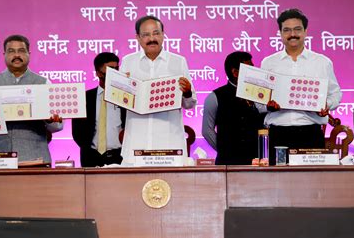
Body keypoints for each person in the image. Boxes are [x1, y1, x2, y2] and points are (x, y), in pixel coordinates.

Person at [261, 9, 342, 165]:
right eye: (287, 30)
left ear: (306, 31)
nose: (293, 34)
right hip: (278, 133)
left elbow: (335, 94)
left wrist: (327, 105)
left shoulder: (322, 62)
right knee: (277, 184)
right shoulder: (268, 63)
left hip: (310, 133)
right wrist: (268, 106)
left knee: (312, 184)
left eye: (297, 29)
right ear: (280, 33)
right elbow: (260, 102)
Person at [120, 15, 197, 165]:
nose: (152, 39)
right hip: (137, 142)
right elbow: (122, 102)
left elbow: (189, 104)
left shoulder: (178, 61)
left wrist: (187, 92)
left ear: (163, 35)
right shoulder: (128, 62)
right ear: (138, 38)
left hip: (169, 143)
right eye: (146, 35)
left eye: (156, 33)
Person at [0, 35, 63, 163]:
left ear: (29, 54)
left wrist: (48, 119)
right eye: (11, 51)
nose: (16, 55)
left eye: (21, 51)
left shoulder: (43, 83)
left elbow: (58, 125)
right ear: (4, 54)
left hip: (35, 157)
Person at [202, 51, 265, 165]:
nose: (254, 73)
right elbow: (207, 131)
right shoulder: (215, 97)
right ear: (235, 72)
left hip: (257, 162)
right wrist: (224, 150)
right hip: (227, 162)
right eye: (249, 69)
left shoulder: (260, 94)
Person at [72, 52, 126, 167]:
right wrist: (88, 149)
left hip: (119, 158)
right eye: (111, 70)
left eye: (117, 69)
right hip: (90, 158)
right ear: (98, 73)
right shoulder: (84, 98)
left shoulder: (126, 98)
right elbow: (77, 133)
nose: (115, 73)